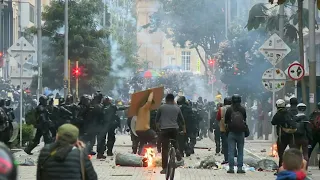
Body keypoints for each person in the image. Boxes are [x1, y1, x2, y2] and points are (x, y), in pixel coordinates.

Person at [156, 94, 186, 174]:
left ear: (166, 100)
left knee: (165, 149)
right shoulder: (177, 108)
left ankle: (165, 168)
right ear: (173, 100)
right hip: (174, 129)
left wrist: (158, 128)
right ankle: (178, 156)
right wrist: (184, 130)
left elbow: (157, 120)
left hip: (164, 130)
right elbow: (182, 121)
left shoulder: (161, 107)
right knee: (175, 142)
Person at [271, 99, 296, 170]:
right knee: (293, 153)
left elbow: (273, 122)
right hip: (291, 135)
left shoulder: (278, 114)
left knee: (281, 154)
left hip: (282, 136)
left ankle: (281, 169)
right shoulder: (289, 112)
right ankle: (293, 168)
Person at [224, 94, 246, 174]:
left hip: (231, 132)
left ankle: (231, 168)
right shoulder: (243, 109)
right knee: (240, 151)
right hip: (241, 133)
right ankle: (239, 168)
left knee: (231, 151)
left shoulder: (229, 109)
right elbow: (244, 119)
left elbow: (226, 121)